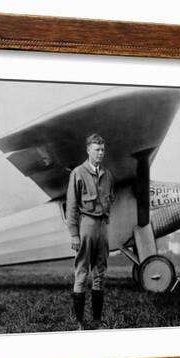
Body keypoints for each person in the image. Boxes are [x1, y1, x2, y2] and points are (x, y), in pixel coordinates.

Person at [66, 133, 115, 330]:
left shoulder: (108, 174)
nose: (100, 153)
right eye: (97, 150)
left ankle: (96, 321)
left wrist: (105, 221)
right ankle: (80, 324)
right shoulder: (78, 173)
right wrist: (74, 234)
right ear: (88, 150)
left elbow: (110, 197)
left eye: (103, 150)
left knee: (100, 273)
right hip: (85, 225)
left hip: (102, 227)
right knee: (81, 273)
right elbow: (71, 205)